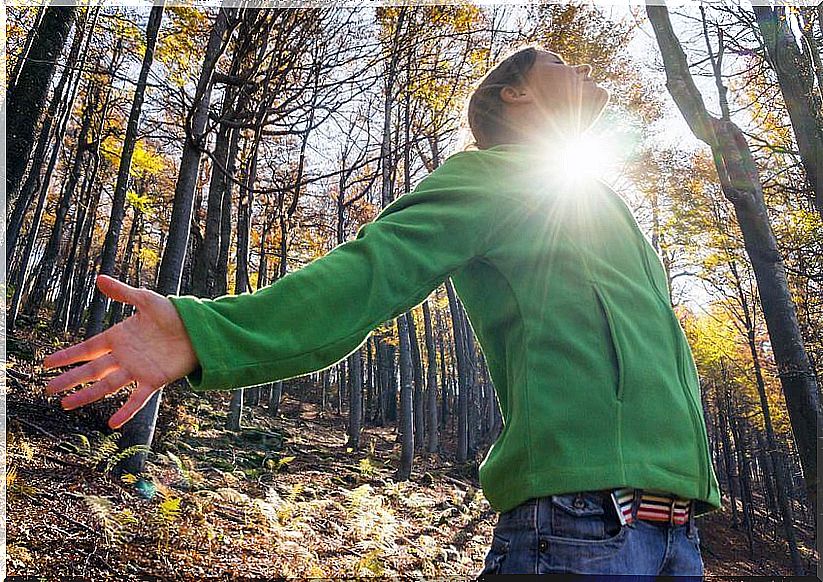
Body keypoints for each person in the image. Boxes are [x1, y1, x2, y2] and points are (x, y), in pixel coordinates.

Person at [43, 46, 721, 576]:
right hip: (580, 526)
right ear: (513, 94)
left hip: (677, 535)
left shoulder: (598, 199)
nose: (578, 72)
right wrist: (207, 331)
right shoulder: (493, 174)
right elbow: (370, 274)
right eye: (558, 64)